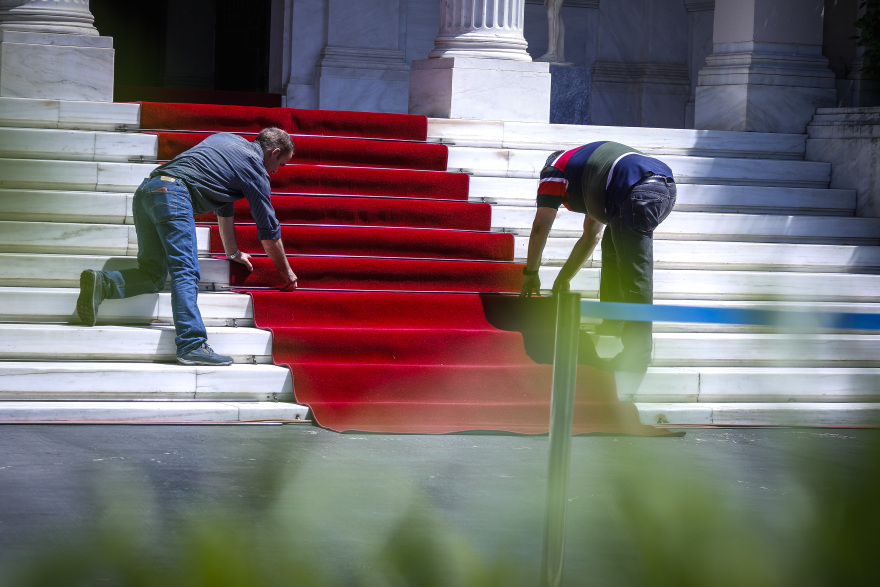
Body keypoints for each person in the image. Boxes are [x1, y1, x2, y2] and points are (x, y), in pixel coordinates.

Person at [75, 127, 299, 366]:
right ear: (274, 152)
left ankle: (103, 283)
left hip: (147, 190)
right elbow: (268, 232)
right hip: (174, 194)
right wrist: (287, 273)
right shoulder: (255, 168)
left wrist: (232, 252)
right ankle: (191, 344)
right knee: (185, 272)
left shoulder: (225, 140)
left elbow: (223, 206)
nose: (275, 171)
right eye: (281, 164)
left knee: (152, 274)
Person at [519, 141, 676, 372]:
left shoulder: (554, 169)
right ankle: (614, 321)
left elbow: (540, 226)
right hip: (664, 186)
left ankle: (638, 355)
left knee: (636, 274)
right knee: (613, 245)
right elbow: (592, 235)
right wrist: (563, 279)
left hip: (636, 190)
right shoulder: (591, 173)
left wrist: (530, 273)